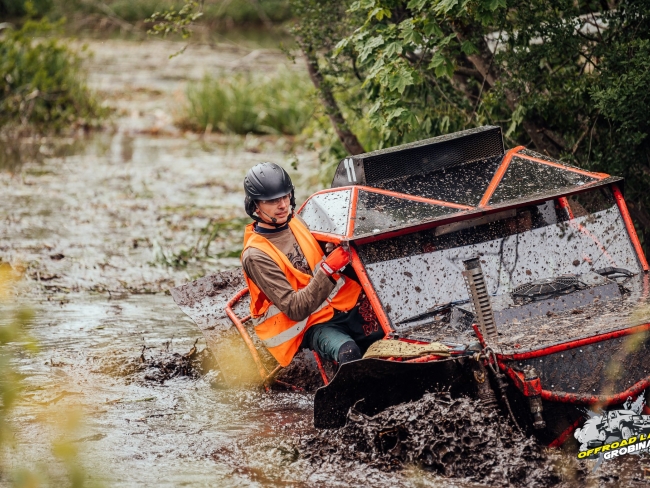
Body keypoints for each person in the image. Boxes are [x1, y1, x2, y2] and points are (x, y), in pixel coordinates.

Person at [240, 162, 384, 368]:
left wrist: (330, 249)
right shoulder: (255, 255)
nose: (282, 205)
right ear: (255, 206)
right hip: (307, 325)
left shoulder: (296, 220)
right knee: (350, 352)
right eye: (271, 201)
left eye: (285, 196)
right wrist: (328, 269)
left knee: (393, 328)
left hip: (340, 305)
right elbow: (295, 310)